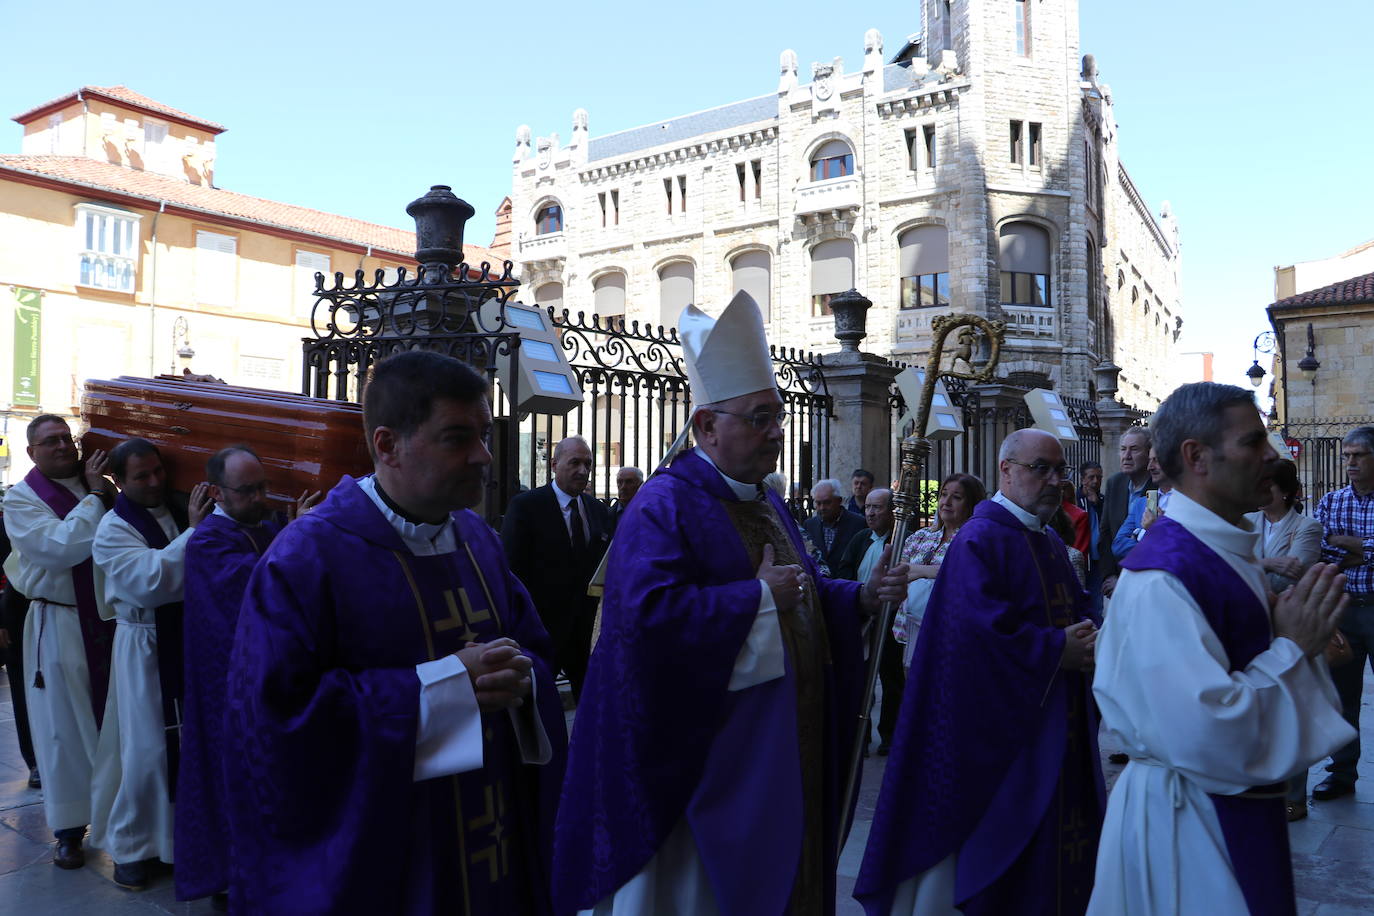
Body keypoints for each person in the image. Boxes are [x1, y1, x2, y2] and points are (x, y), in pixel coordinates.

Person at [554, 291, 908, 915]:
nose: (776, 431)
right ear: (706, 427)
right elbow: (644, 627)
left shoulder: (765, 500)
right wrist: (754, 599)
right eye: (759, 417)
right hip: (706, 766)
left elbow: (800, 587)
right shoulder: (663, 506)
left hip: (778, 755)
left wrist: (857, 596)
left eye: (777, 415)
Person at [225, 351, 566, 914]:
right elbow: (276, 721)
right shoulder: (308, 556)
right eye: (458, 437)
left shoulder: (478, 539)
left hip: (493, 828)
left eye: (484, 434)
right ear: (387, 446)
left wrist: (518, 676)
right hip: (390, 850)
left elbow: (535, 647)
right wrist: (444, 689)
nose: (483, 456)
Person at [1088, 383, 1353, 915]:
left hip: (1227, 810)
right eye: (1254, 442)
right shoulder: (1164, 575)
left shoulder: (1223, 551)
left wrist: (1294, 640)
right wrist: (1292, 649)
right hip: (1189, 829)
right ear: (1196, 457)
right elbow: (1204, 731)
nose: (1271, 456)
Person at [856, 428, 1104, 915]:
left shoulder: (1050, 543)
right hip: (999, 742)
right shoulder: (980, 541)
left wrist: (1093, 639)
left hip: (1054, 725)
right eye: (1041, 468)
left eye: (1060, 470)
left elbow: (1077, 613)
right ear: (1006, 472)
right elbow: (972, 640)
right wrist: (1056, 649)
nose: (1054, 480)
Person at [175, 445, 318, 905]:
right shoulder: (207, 541)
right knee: (232, 779)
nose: (260, 497)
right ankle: (232, 874)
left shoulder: (266, 527)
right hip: (226, 689)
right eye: (248, 490)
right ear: (217, 492)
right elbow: (255, 585)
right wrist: (295, 534)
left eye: (263, 487)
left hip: (270, 677)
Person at [88, 438, 213, 889]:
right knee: (145, 752)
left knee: (186, 749)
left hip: (186, 639)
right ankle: (130, 846)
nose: (155, 481)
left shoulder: (181, 509)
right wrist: (197, 531)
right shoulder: (112, 528)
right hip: (143, 642)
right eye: (141, 476)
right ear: (117, 481)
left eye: (159, 471)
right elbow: (151, 581)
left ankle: (175, 844)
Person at [2, 414, 117, 870]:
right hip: (61, 622)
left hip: (110, 622)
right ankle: (69, 831)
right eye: (49, 442)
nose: (61, 447)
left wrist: (98, 492)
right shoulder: (21, 500)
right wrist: (93, 496)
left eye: (65, 439)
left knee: (116, 726)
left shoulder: (102, 486)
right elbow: (61, 547)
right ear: (31, 452)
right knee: (62, 733)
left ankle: (124, 826)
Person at [501, 436, 611, 700]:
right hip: (541, 630)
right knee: (539, 707)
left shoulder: (598, 511)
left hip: (586, 634)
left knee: (591, 704)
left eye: (588, 463)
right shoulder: (526, 506)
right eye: (575, 462)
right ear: (554, 464)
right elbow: (511, 569)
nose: (583, 471)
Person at [1244, 458, 1323, 819]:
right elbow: (1235, 566)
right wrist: (1272, 564)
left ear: (1286, 491)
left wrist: (1256, 568)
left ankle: (1294, 794)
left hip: (1290, 628)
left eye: (1269, 485)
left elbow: (1295, 576)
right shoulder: (1247, 523)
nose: (1262, 491)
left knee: (1292, 709)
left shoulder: (1307, 527)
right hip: (1254, 627)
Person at [1311, 425, 1374, 801]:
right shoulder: (1331, 502)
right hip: (1344, 610)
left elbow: (1337, 548)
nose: (1349, 462)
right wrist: (1366, 549)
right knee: (1342, 697)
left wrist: (1349, 546)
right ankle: (1342, 773)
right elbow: (1322, 549)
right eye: (1346, 455)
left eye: (1359, 455)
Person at [835, 489, 904, 756]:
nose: (871, 513)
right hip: (863, 617)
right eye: (868, 508)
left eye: (878, 508)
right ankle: (860, 738)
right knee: (860, 678)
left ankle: (889, 736)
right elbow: (844, 568)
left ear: (892, 511)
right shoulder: (860, 538)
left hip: (891, 618)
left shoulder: (902, 541)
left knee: (891, 678)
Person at [891, 473, 986, 668]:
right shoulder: (920, 536)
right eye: (943, 495)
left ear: (972, 504)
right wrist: (935, 571)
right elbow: (897, 572)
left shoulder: (977, 540)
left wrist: (918, 570)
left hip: (950, 635)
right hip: (907, 631)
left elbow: (965, 575)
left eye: (957, 497)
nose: (947, 502)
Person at [1099, 428, 1151, 597]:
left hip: (1146, 583)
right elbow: (1105, 533)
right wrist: (1111, 576)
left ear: (1149, 454)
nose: (1126, 456)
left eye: (1134, 449)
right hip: (1114, 584)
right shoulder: (1115, 483)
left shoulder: (1158, 489)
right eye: (1123, 449)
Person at [1111, 449, 1169, 561]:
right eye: (1149, 460)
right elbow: (1118, 545)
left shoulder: (1188, 502)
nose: (1150, 467)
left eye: (1156, 460)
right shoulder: (1141, 503)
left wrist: (1142, 535)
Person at [803, 478, 867, 578]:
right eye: (818, 503)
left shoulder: (859, 523)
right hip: (821, 585)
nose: (822, 508)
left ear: (839, 501)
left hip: (848, 585)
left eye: (827, 502)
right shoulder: (810, 525)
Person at [1076, 461, 1105, 608]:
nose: (1096, 481)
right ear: (1082, 480)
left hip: (1098, 562)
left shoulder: (1103, 501)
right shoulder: (1075, 500)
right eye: (1091, 477)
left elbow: (1107, 526)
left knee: (1096, 605)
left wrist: (1097, 505)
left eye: (1099, 477)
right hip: (1080, 561)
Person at [607, 466, 643, 533]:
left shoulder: (647, 513)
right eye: (620, 482)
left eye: (629, 482)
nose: (623, 487)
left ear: (640, 485)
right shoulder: (606, 515)